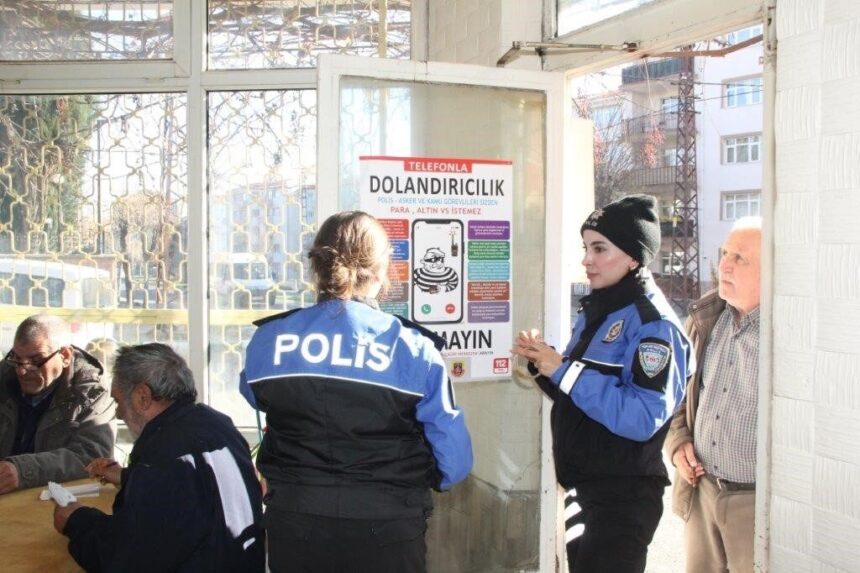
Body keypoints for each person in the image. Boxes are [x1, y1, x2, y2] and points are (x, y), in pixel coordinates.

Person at [240, 210, 473, 573]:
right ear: (380, 271)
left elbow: (253, 394)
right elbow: (454, 463)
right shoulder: (412, 348)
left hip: (296, 523)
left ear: (317, 267)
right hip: (388, 527)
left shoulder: (270, 339)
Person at [511, 194, 694, 573]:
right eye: (585, 247)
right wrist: (541, 363)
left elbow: (642, 416)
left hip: (622, 502)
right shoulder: (602, 309)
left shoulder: (652, 325)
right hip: (587, 491)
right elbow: (579, 397)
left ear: (632, 257)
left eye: (599, 248)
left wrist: (562, 369)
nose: (586, 259)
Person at [53, 343, 265, 572]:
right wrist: (130, 477)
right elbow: (198, 493)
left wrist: (76, 520)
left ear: (142, 396)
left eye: (118, 401)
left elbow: (125, 559)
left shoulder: (162, 456)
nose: (118, 413)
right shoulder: (215, 424)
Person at [665, 216, 762, 573]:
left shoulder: (786, 336)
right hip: (702, 491)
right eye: (725, 253)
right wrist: (678, 442)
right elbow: (676, 394)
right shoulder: (705, 320)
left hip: (756, 502)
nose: (724, 264)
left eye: (741, 258)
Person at [0, 314, 113, 494]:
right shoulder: (4, 376)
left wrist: (22, 471)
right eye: (17, 359)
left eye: (36, 361)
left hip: (58, 502)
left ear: (65, 356)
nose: (22, 370)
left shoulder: (92, 391)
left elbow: (92, 457)